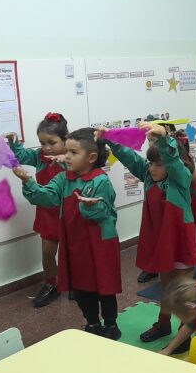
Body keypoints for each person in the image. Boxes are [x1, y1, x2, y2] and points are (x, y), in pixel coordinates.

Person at [13, 128, 122, 339]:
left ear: (91, 157)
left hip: (100, 244)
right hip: (75, 243)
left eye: (73, 152)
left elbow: (103, 212)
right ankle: (92, 322)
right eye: (67, 151)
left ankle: (111, 324)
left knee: (104, 287)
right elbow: (46, 197)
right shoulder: (64, 178)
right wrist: (28, 181)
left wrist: (91, 206)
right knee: (81, 288)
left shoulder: (100, 180)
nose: (67, 157)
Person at [100, 122, 196, 351]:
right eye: (151, 163)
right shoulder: (148, 174)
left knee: (183, 289)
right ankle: (163, 323)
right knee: (166, 285)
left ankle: (185, 332)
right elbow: (131, 158)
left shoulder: (180, 177)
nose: (153, 168)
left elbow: (172, 160)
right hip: (161, 238)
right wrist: (110, 139)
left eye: (158, 164)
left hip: (180, 238)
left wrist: (164, 139)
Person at [7, 112, 68, 307]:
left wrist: (66, 159)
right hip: (47, 212)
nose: (47, 147)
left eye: (52, 142)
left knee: (73, 252)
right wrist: (15, 143)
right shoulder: (40, 156)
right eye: (42, 143)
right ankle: (51, 284)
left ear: (65, 139)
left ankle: (77, 283)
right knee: (48, 252)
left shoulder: (73, 157)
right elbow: (22, 155)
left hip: (69, 213)